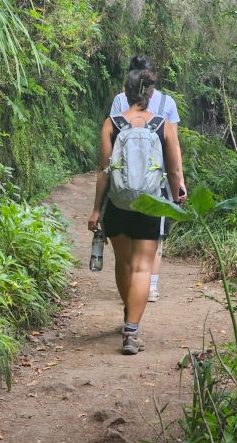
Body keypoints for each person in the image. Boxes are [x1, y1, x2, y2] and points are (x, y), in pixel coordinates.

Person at [88, 69, 186, 355]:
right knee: (143, 267)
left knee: (124, 263)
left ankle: (127, 317)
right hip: (151, 204)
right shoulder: (162, 124)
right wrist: (179, 192)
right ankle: (131, 332)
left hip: (117, 204)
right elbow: (174, 168)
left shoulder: (111, 123)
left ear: (125, 90)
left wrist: (96, 209)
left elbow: (103, 172)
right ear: (151, 94)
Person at [110, 55, 186, 301]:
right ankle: (150, 286)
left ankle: (132, 284)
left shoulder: (120, 100)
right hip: (157, 181)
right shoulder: (167, 102)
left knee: (127, 241)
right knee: (155, 237)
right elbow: (173, 148)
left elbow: (113, 138)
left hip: (122, 183)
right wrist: (179, 187)